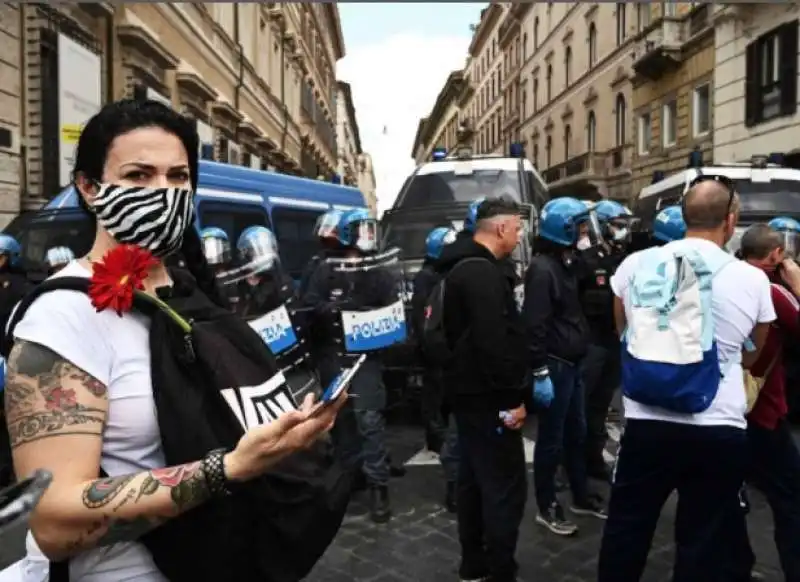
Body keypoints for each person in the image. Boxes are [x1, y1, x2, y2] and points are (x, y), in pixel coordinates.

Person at [2, 98, 344, 582]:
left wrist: (286, 437)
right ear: (88, 187)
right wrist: (227, 469)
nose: (163, 192)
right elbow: (54, 523)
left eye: (178, 177)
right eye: (139, 176)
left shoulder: (190, 291)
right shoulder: (65, 316)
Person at [598, 176, 776, 582]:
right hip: (716, 424)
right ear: (731, 221)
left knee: (627, 527)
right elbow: (756, 352)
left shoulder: (634, 266)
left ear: (681, 216)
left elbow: (622, 331)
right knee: (704, 535)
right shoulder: (751, 279)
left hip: (646, 421)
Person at [436, 196, 528, 582]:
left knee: (473, 482)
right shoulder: (482, 274)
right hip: (490, 399)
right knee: (504, 488)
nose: (520, 236)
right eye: (518, 228)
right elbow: (494, 343)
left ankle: (473, 563)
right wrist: (513, 401)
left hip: (465, 393)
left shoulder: (458, 266)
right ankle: (499, 569)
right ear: (502, 228)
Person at [303, 207, 397, 523]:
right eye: (361, 229)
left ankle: (378, 485)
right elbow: (311, 302)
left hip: (367, 358)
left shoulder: (380, 271)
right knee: (340, 419)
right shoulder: (326, 269)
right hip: (335, 354)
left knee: (370, 419)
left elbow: (392, 310)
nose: (367, 236)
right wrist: (334, 310)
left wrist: (370, 318)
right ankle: (348, 477)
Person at [524, 197, 607, 538]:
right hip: (556, 367)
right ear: (566, 228)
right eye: (582, 225)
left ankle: (580, 495)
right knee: (551, 440)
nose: (587, 230)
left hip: (572, 363)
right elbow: (535, 325)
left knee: (577, 432)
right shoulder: (543, 270)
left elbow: (588, 277)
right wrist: (539, 371)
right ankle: (547, 505)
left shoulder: (565, 261)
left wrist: (588, 249)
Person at [737, 223, 800, 581]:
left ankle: (736, 564)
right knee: (789, 498)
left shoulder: (728, 279)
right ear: (776, 255)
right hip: (763, 412)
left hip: (727, 410)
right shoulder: (773, 290)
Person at [577, 200, 632, 481]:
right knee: (581, 407)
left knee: (600, 406)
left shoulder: (624, 258)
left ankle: (594, 460)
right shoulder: (585, 260)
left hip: (613, 342)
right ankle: (571, 463)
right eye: (617, 225)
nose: (622, 231)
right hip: (590, 343)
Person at [410, 226, 459, 512]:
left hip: (447, 356)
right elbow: (423, 321)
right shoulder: (428, 279)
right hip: (437, 357)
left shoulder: (445, 275)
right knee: (436, 406)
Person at [235, 226, 295, 319]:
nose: (261, 257)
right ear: (245, 255)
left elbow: (291, 312)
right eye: (254, 252)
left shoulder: (281, 281)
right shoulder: (240, 284)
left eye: (265, 251)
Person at [298, 209, 345, 298]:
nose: (326, 235)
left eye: (333, 232)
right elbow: (304, 294)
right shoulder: (315, 262)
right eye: (324, 229)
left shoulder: (349, 264)